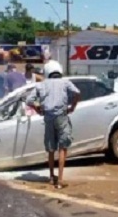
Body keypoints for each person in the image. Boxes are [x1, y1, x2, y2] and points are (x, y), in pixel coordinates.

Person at [26, 59, 80, 189]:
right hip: (61, 116)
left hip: (48, 118)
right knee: (63, 147)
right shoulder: (65, 82)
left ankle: (51, 177)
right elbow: (77, 93)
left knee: (51, 148)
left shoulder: (41, 84)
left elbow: (29, 100)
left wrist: (38, 109)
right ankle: (60, 179)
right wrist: (72, 106)